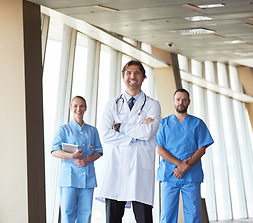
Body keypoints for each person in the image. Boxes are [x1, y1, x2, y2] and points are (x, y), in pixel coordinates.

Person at [97, 60, 161, 223]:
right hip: (116, 168)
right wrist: (136, 132)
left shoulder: (153, 105)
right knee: (112, 219)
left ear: (143, 77)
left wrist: (120, 127)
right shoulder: (112, 105)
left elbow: (148, 132)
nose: (133, 76)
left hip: (140, 168)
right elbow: (105, 134)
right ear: (123, 76)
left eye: (137, 73)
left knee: (144, 218)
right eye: (129, 73)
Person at [156, 88, 214, 223]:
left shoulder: (198, 124)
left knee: (193, 215)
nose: (180, 102)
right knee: (167, 215)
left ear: (189, 102)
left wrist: (185, 166)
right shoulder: (163, 123)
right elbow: (159, 148)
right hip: (169, 175)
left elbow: (202, 148)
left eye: (184, 100)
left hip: (191, 175)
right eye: (178, 99)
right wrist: (180, 164)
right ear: (173, 101)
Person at [51, 96, 103, 223]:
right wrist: (71, 156)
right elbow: (54, 151)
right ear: (70, 108)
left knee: (85, 213)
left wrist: (87, 160)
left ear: (85, 108)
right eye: (75, 106)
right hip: (69, 178)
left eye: (81, 106)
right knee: (67, 212)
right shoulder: (64, 130)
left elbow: (99, 151)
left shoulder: (92, 130)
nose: (78, 109)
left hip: (87, 178)